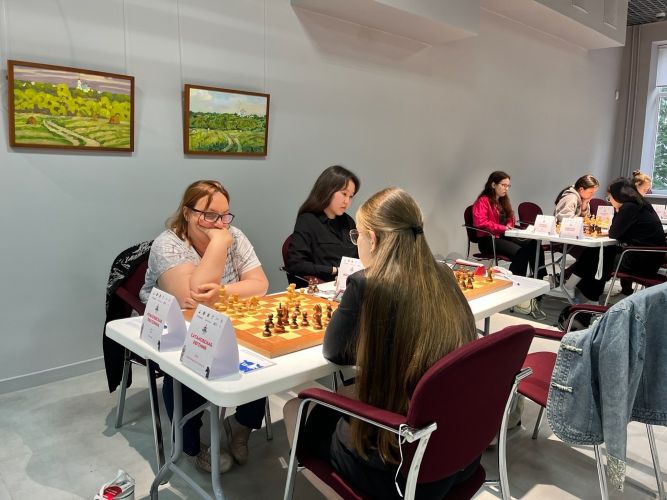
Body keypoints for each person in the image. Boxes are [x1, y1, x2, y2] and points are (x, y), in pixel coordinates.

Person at [284, 188, 480, 499]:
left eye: (357, 236)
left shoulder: (366, 282)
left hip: (400, 469)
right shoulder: (443, 273)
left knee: (296, 408)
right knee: (348, 394)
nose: (357, 243)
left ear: (373, 239)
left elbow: (334, 350)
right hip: (457, 453)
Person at [140, 180, 269, 474]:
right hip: (173, 328)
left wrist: (221, 293)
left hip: (226, 318)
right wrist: (219, 244)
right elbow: (192, 300)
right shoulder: (168, 244)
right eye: (210, 215)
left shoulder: (235, 234)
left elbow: (260, 284)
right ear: (187, 213)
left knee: (258, 361)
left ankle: (241, 425)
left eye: (225, 215)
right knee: (185, 369)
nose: (220, 224)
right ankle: (191, 446)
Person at [564, 177, 666, 303]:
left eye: (610, 198)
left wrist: (617, 210)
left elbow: (613, 233)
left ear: (617, 196)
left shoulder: (628, 207)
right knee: (599, 252)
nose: (610, 201)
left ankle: (581, 293)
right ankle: (581, 293)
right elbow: (621, 234)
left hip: (640, 261)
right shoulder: (642, 204)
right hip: (650, 258)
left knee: (598, 257)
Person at [286, 165, 360, 285]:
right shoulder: (307, 220)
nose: (347, 201)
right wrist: (334, 270)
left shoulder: (348, 221)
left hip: (350, 285)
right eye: (344, 194)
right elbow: (295, 264)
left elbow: (358, 258)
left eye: (351, 196)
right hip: (323, 286)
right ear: (328, 190)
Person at [472, 171, 546, 279]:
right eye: (503, 185)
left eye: (508, 186)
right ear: (493, 185)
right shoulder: (483, 201)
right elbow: (480, 223)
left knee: (534, 244)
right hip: (488, 240)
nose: (506, 189)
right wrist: (503, 228)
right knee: (521, 252)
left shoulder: (503, 201)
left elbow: (511, 217)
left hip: (504, 236)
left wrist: (509, 225)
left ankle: (539, 278)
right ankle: (515, 281)